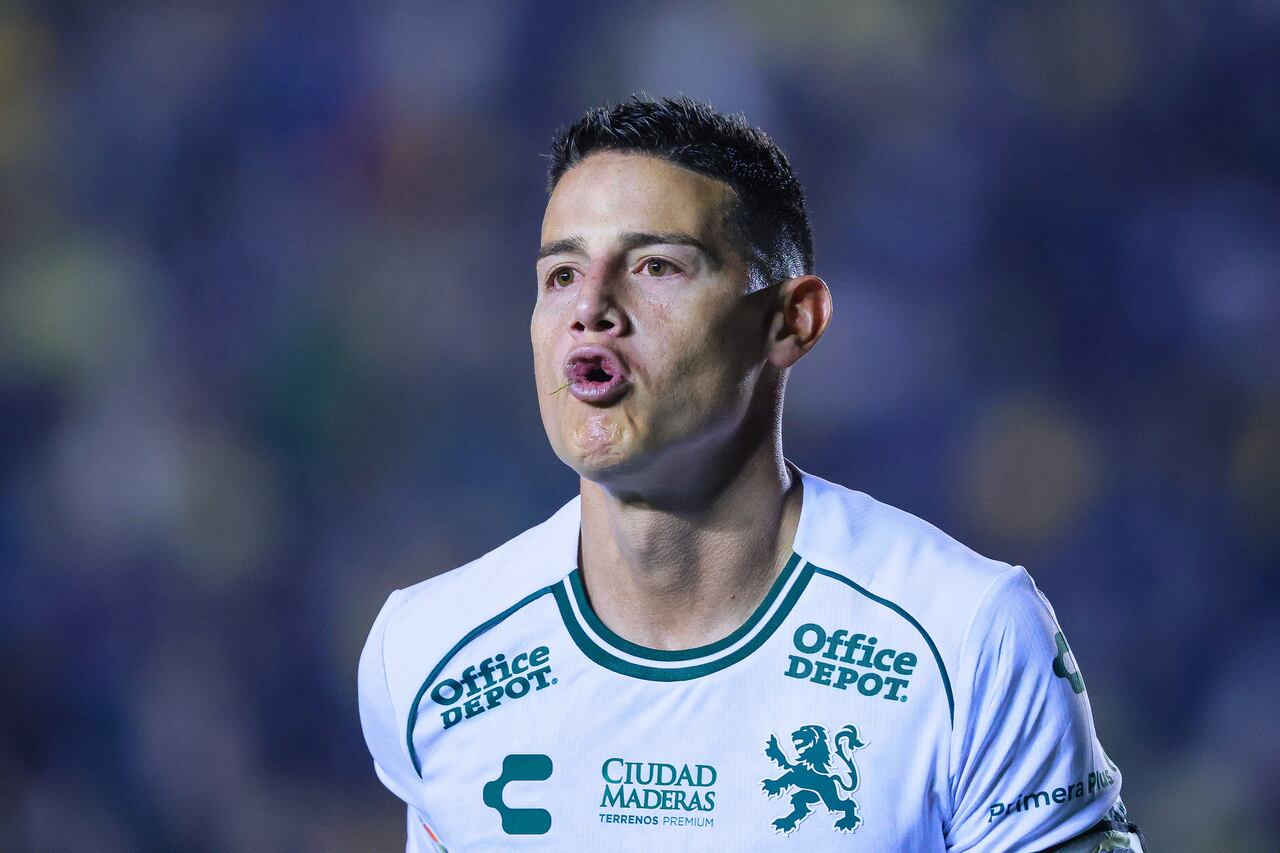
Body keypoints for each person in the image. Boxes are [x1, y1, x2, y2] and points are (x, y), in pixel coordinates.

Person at [358, 96, 1145, 852]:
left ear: (791, 320)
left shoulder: (968, 637)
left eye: (657, 267)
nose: (591, 308)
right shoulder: (427, 653)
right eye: (561, 275)